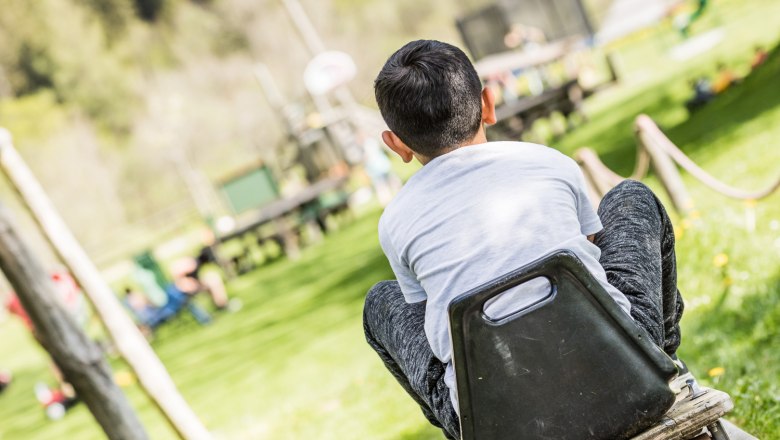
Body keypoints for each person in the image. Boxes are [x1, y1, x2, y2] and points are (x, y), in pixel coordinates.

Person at [362, 40, 685, 439]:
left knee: (381, 301)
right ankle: (662, 359)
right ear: (488, 103)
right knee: (631, 196)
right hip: (628, 378)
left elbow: (426, 312)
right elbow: (593, 251)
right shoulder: (550, 162)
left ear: (396, 144)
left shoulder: (394, 221)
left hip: (499, 423)